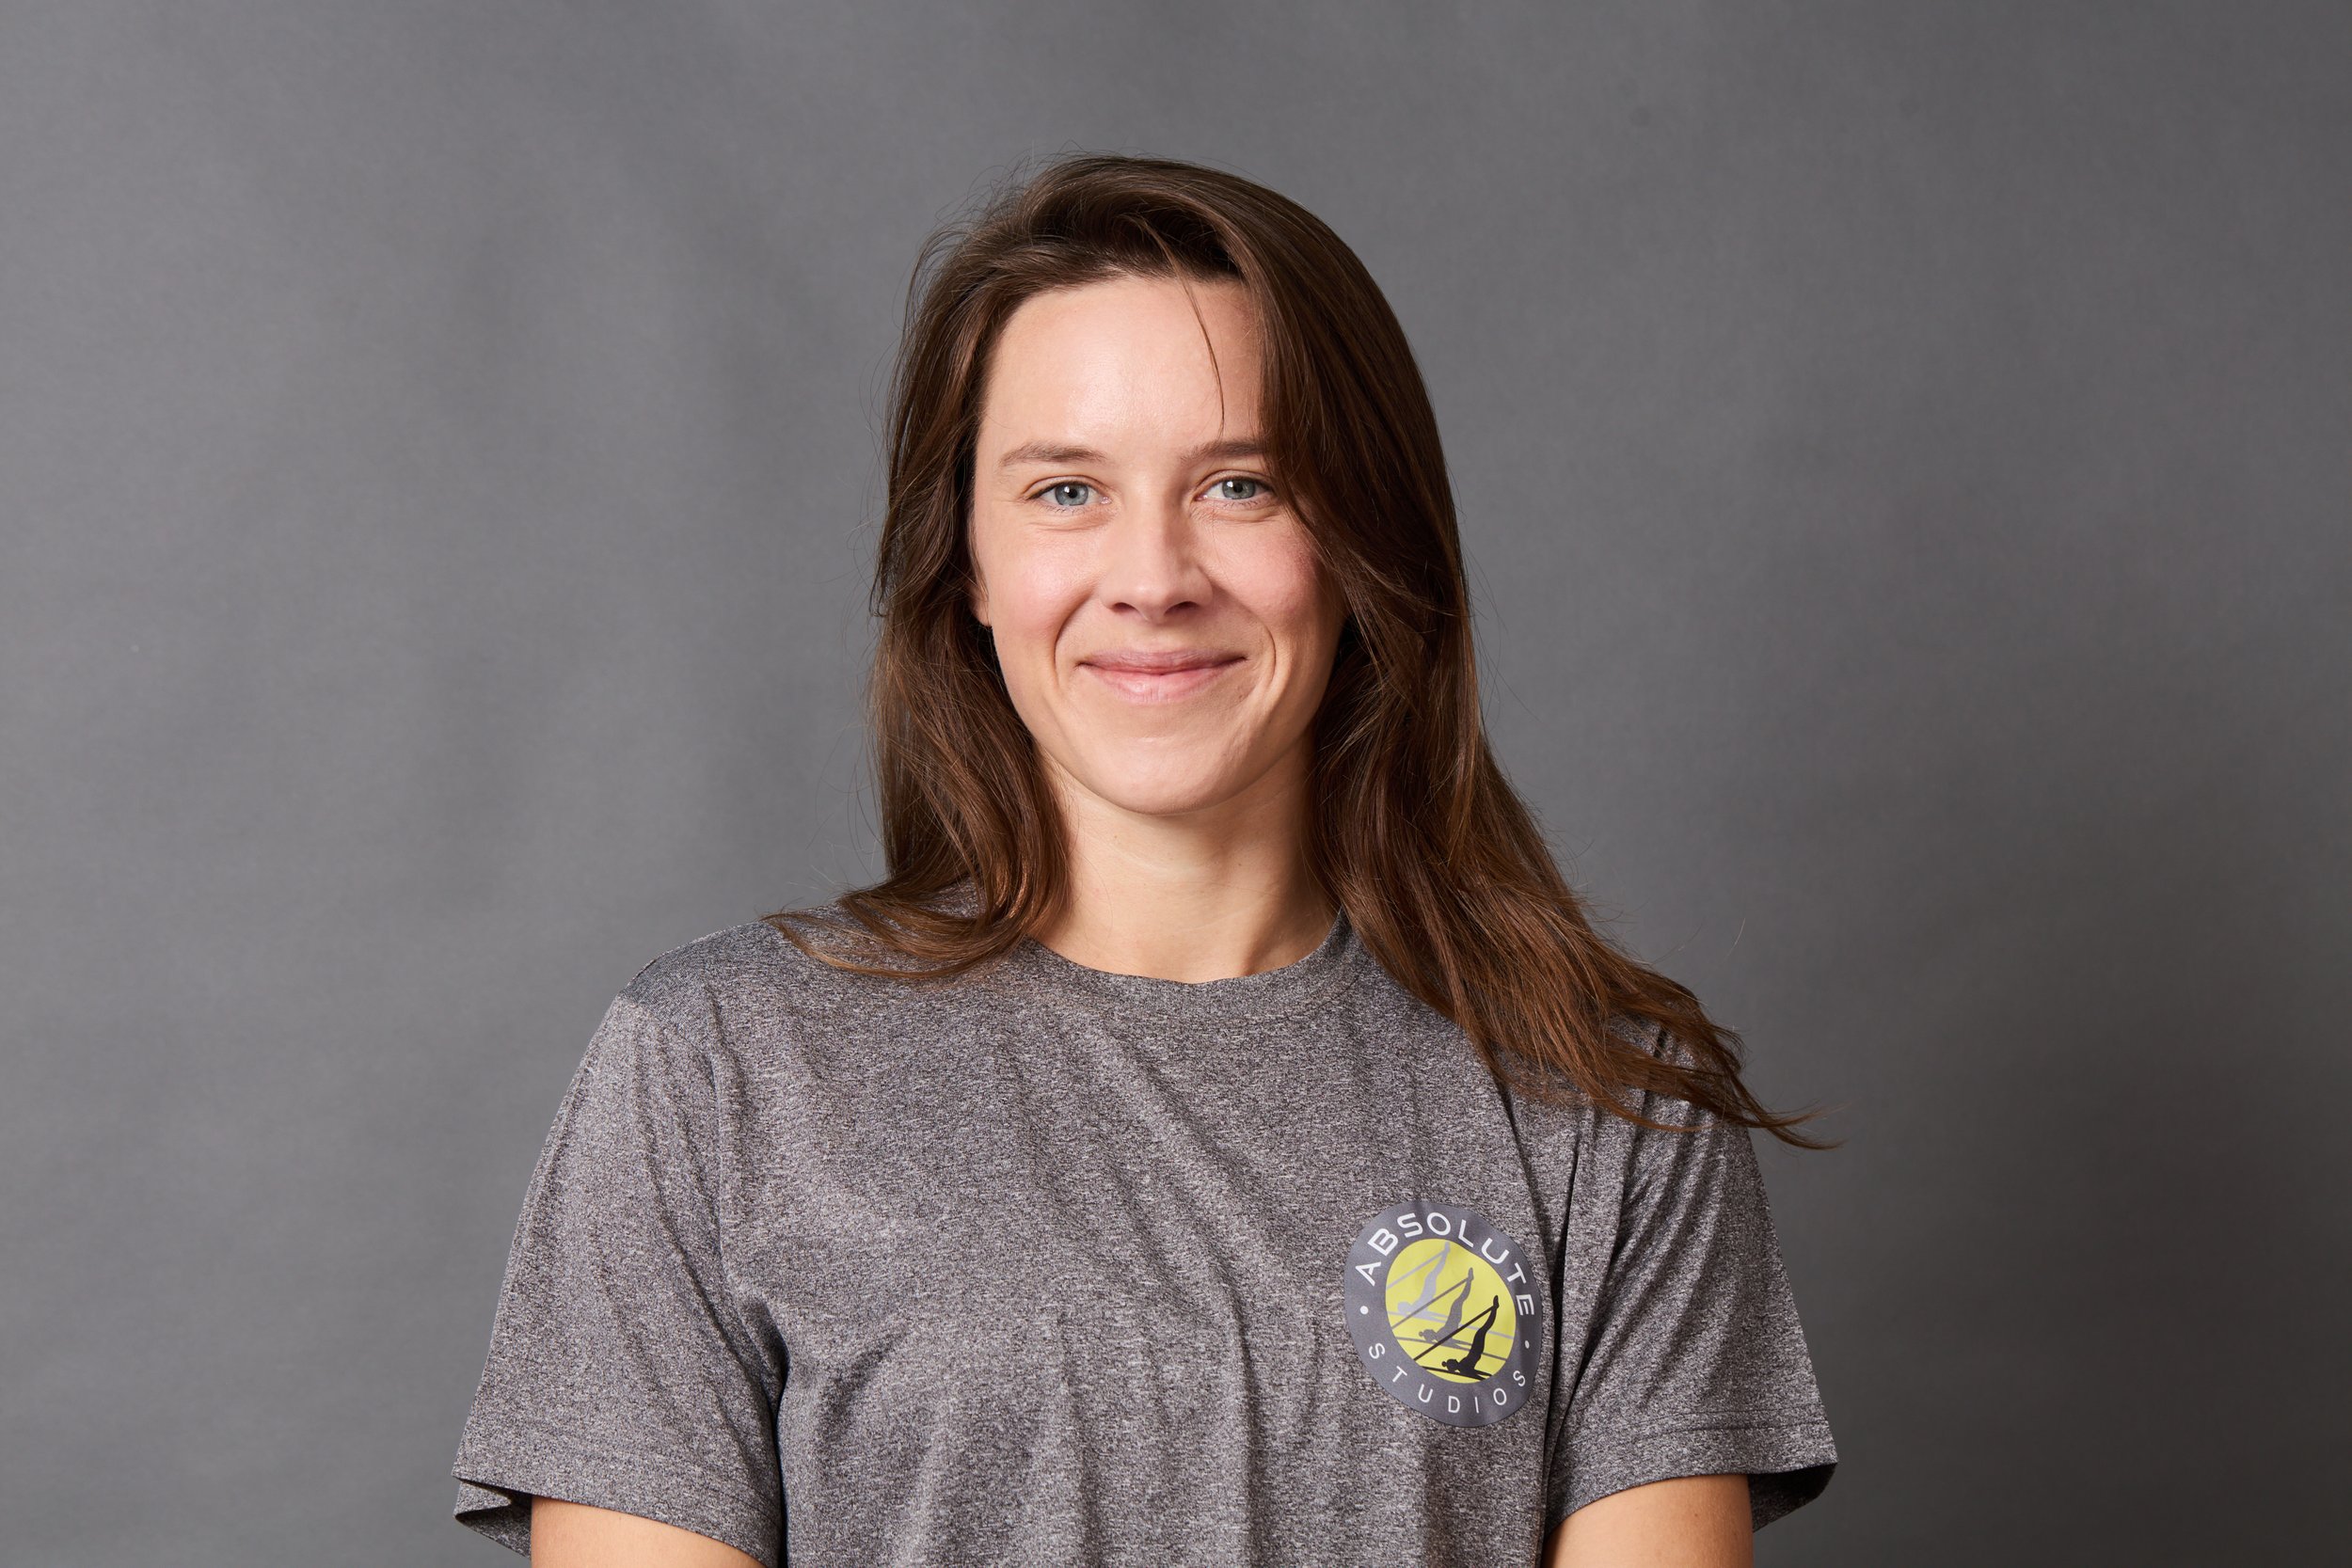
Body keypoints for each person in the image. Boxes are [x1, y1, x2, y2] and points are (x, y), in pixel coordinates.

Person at [452, 151, 1839, 1568]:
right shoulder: (716, 1069)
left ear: (1363, 542)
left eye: (1240, 484)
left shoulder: (1608, 1103)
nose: (1156, 578)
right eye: (1066, 491)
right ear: (966, 563)